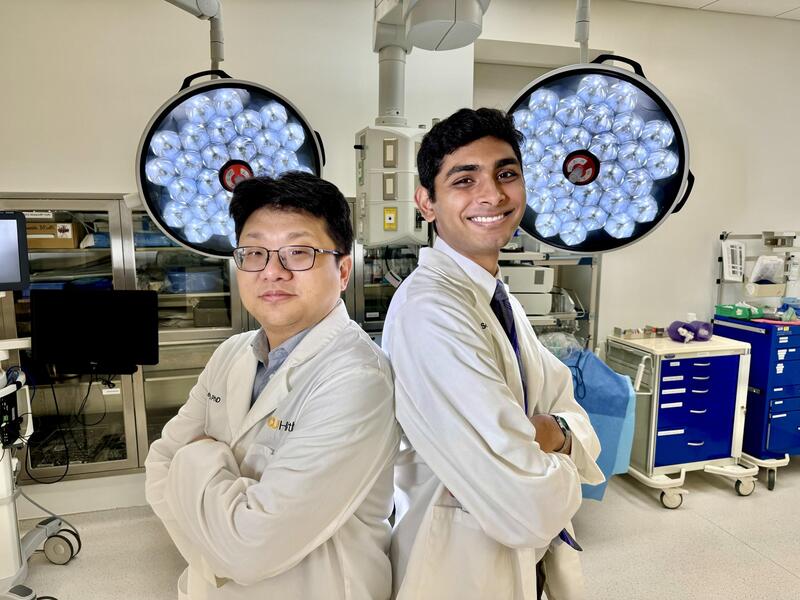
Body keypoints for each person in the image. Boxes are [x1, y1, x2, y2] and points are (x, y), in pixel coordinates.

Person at [382, 108, 604, 600]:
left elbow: (566, 410)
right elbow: (525, 503)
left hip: (515, 562)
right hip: (456, 565)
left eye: (507, 174)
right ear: (426, 202)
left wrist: (556, 434)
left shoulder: (497, 299)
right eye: (465, 179)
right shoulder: (430, 311)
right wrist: (558, 443)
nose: (493, 195)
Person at [145, 172, 400, 600]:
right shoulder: (231, 353)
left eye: (298, 252)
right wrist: (217, 551)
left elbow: (250, 550)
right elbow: (156, 472)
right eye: (255, 252)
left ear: (342, 270)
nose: (272, 272)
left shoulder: (358, 378)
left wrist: (199, 453)